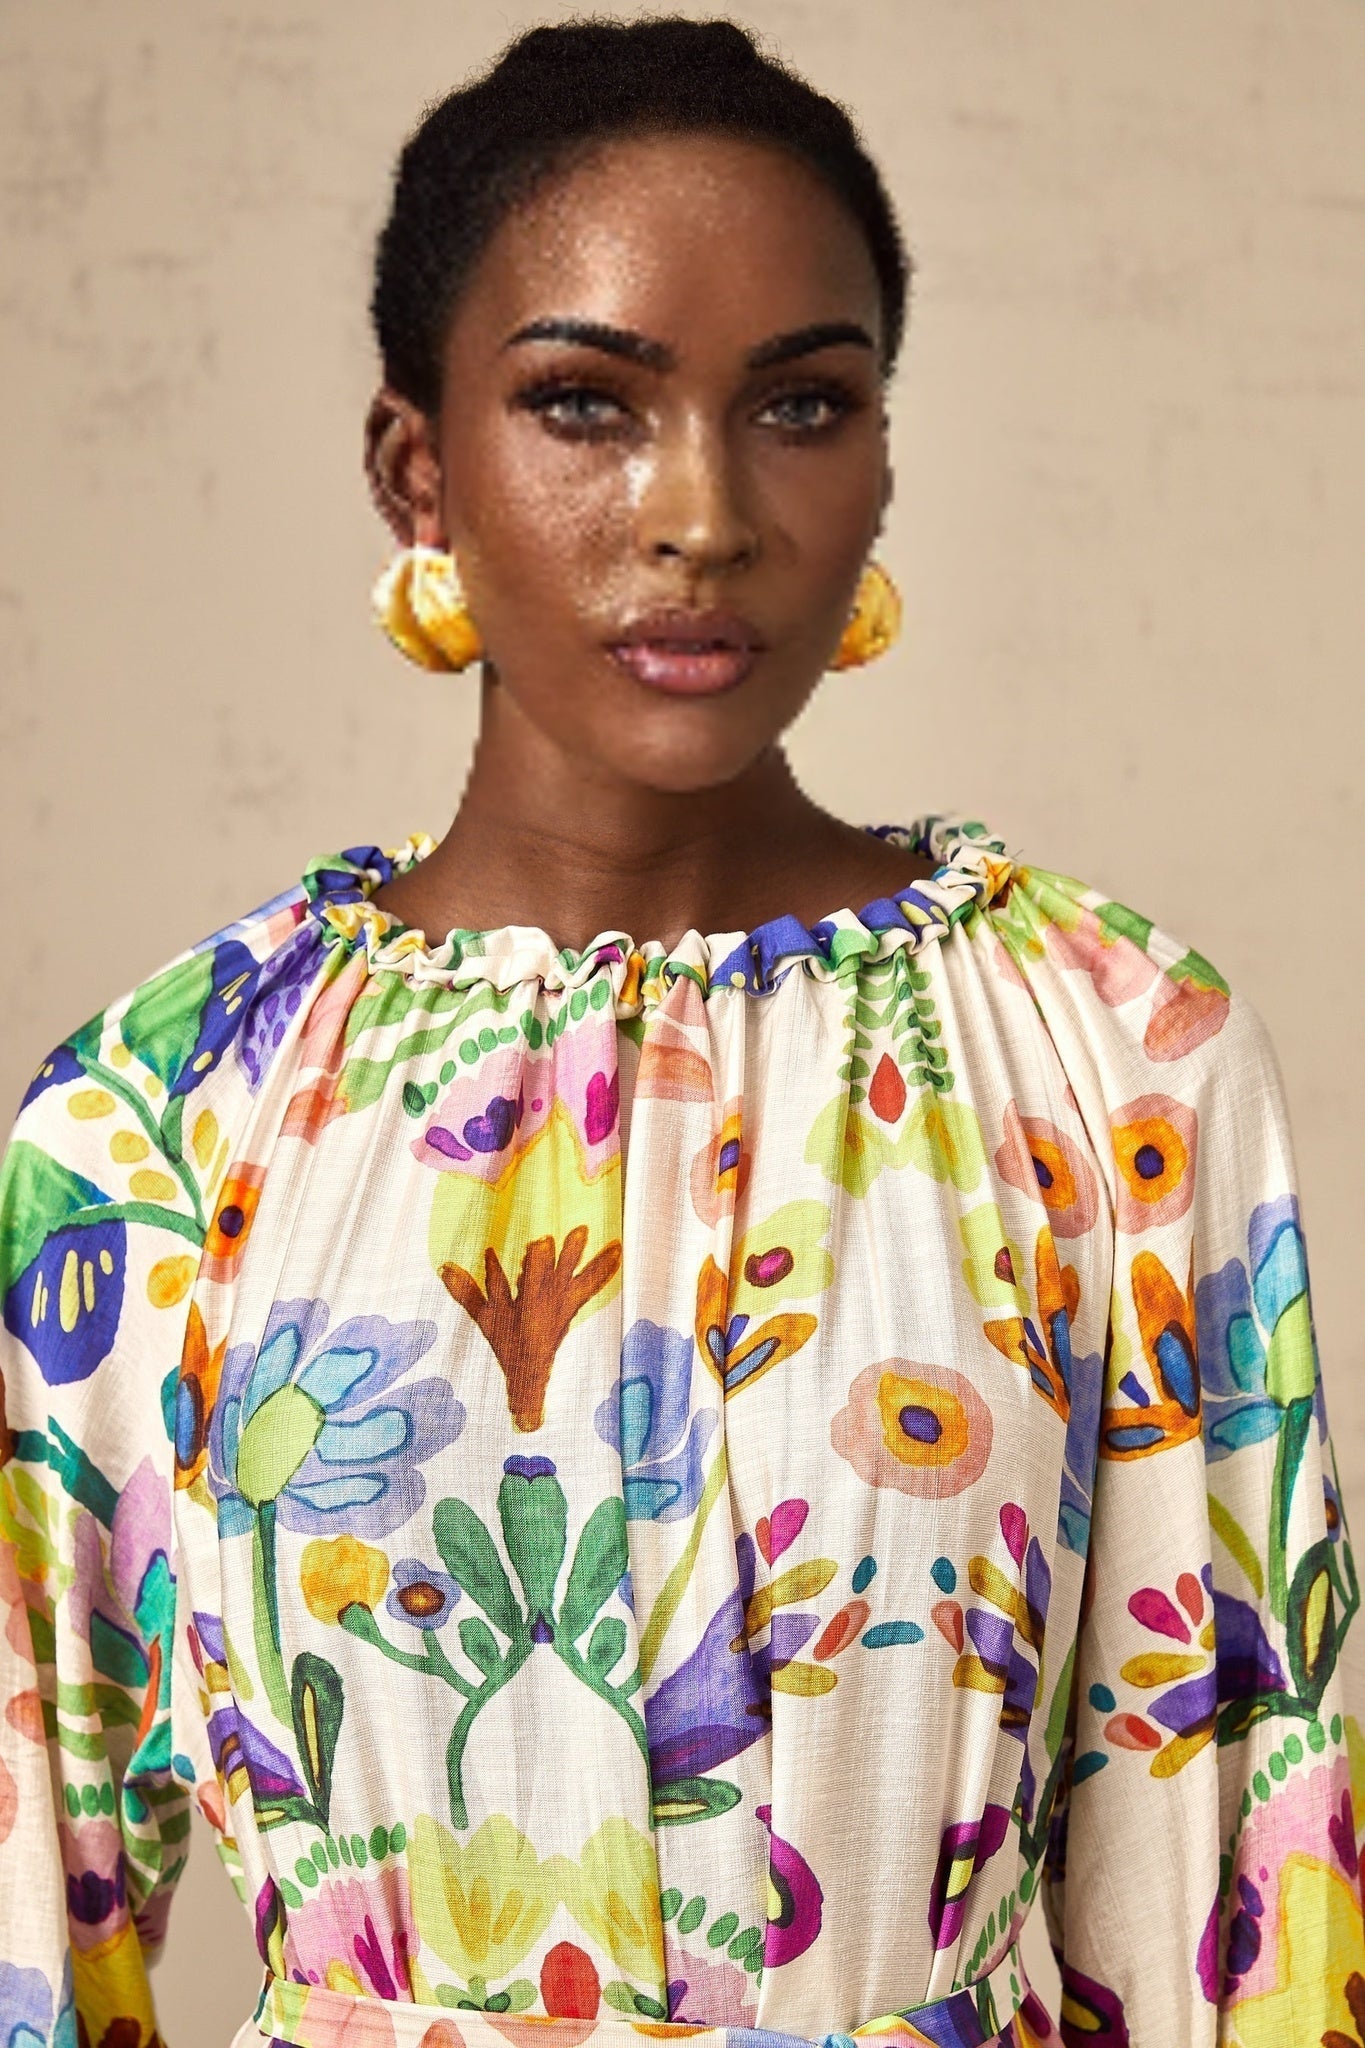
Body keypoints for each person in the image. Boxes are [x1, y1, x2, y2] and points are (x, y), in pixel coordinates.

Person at [0, 17, 1359, 2048]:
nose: (702, 514)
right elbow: (32, 1901)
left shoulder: (1108, 1055)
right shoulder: (158, 1122)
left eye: (799, 405)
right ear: (415, 466)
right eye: (583, 405)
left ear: (883, 456)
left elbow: (1234, 1875)